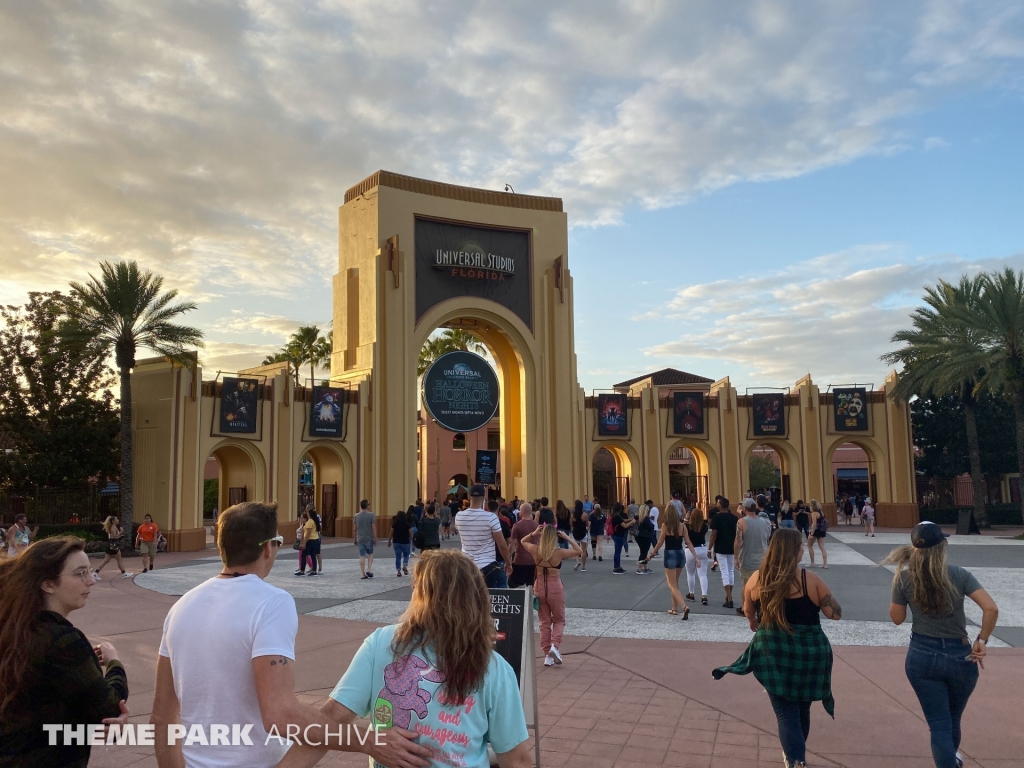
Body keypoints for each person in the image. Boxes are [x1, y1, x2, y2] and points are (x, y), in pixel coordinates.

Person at [153, 502, 430, 768]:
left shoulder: (181, 607)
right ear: (267, 549)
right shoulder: (271, 603)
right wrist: (370, 741)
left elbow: (162, 717)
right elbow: (280, 714)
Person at [280, 549, 531, 768]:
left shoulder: (382, 643)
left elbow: (329, 722)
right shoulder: (494, 668)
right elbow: (516, 759)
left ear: (421, 596)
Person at [714, 528, 843, 768]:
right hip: (808, 653)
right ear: (794, 551)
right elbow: (835, 614)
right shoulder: (811, 580)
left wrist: (754, 621)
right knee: (802, 707)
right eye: (801, 546)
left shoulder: (757, 579)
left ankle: (795, 759)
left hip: (773, 651)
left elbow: (748, 610)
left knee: (785, 711)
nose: (803, 549)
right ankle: (795, 756)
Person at [0, 536, 130, 767]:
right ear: (48, 584)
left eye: (89, 571)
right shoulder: (62, 640)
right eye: (80, 573)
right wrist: (114, 663)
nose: (91, 581)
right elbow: (109, 706)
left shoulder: (16, 628)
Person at [887, 522, 999, 768]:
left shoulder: (904, 578)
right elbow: (991, 608)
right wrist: (982, 640)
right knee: (953, 718)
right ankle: (952, 759)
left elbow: (897, 618)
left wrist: (901, 590)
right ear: (943, 546)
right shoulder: (959, 574)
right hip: (960, 655)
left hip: (922, 654)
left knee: (939, 723)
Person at [520, 519, 581, 666]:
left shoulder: (536, 550)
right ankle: (555, 645)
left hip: (539, 586)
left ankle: (547, 654)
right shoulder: (558, 552)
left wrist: (534, 533)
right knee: (559, 619)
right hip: (555, 586)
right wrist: (567, 537)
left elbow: (523, 541)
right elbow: (579, 550)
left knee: (544, 622)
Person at [456, 484, 513, 588]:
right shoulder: (491, 517)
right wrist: (508, 563)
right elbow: (502, 545)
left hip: (466, 564)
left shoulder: (459, 516)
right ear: (484, 498)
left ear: (469, 497)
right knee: (487, 595)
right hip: (487, 565)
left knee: (468, 595)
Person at [646, 505, 689, 618]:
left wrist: (651, 554)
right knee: (675, 583)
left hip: (670, 554)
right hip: (681, 554)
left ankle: (684, 606)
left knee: (671, 584)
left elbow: (660, 542)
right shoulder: (682, 525)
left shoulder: (665, 525)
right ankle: (674, 608)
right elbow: (688, 541)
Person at [735, 498, 771, 616]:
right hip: (762, 558)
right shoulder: (764, 522)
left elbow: (738, 541)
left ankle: (745, 608)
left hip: (747, 558)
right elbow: (767, 538)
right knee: (761, 584)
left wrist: (736, 557)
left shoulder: (741, 522)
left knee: (746, 584)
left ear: (745, 509)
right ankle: (762, 608)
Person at [709, 497, 739, 608]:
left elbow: (713, 534)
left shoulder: (716, 518)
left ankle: (729, 597)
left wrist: (709, 548)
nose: (717, 505)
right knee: (730, 571)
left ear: (720, 505)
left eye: (718, 503)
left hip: (720, 547)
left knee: (724, 572)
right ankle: (729, 595)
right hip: (731, 547)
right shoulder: (734, 518)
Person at [684, 506, 710, 605]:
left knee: (690, 573)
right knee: (702, 574)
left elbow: (682, 527)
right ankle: (704, 596)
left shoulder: (687, 526)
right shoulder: (704, 526)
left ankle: (691, 594)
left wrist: (686, 518)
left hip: (690, 550)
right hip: (702, 549)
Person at [509, 503, 538, 588]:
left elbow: (512, 544)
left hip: (520, 560)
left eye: (520, 511)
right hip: (534, 559)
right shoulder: (536, 525)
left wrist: (508, 559)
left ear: (523, 512)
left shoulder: (517, 525)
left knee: (513, 585)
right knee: (532, 586)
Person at [610, 502, 635, 574]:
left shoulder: (614, 516)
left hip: (615, 535)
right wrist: (632, 522)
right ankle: (616, 568)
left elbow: (623, 520)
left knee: (617, 551)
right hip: (618, 535)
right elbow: (625, 525)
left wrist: (630, 519)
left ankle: (618, 566)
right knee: (617, 552)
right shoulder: (617, 517)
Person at [354, 499, 376, 579]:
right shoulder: (371, 515)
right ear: (367, 506)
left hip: (360, 538)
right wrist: (375, 538)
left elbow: (355, 529)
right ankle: (369, 569)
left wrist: (355, 539)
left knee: (361, 555)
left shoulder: (356, 516)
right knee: (370, 554)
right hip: (368, 537)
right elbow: (373, 528)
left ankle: (362, 573)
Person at [293, 511, 318, 576]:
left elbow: (308, 534)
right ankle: (314, 570)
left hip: (310, 540)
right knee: (313, 555)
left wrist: (304, 543)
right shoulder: (313, 521)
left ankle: (302, 571)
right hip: (314, 539)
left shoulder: (310, 522)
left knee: (304, 555)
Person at [388, 510, 413, 577]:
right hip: (405, 542)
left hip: (396, 542)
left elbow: (391, 533)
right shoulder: (407, 524)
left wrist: (389, 541)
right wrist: (413, 541)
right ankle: (405, 565)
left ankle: (398, 571)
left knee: (398, 557)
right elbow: (410, 534)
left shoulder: (395, 524)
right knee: (406, 555)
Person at [633, 505, 655, 574]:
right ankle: (639, 568)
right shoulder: (646, 519)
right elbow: (651, 526)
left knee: (643, 552)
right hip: (646, 537)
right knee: (644, 552)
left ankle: (646, 567)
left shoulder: (638, 517)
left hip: (639, 536)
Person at [808, 500, 829, 568]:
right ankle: (825, 564)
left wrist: (811, 533)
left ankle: (812, 562)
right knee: (822, 547)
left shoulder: (814, 513)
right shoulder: (821, 512)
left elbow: (814, 524)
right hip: (822, 530)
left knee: (809, 545)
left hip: (816, 530)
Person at [571, 499, 589, 571]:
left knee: (576, 549)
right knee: (583, 550)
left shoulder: (572, 515)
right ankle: (583, 567)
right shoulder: (584, 514)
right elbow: (587, 524)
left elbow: (571, 524)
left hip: (576, 532)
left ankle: (577, 562)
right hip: (583, 532)